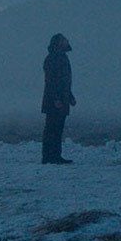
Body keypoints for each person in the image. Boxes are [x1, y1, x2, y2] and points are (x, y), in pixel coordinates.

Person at [41, 33, 76, 164]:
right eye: (64, 40)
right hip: (54, 101)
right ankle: (48, 157)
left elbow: (65, 81)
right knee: (51, 129)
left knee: (58, 129)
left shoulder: (63, 58)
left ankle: (56, 156)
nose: (67, 41)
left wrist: (70, 97)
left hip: (63, 100)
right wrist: (56, 99)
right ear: (58, 43)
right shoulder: (51, 59)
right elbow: (50, 81)